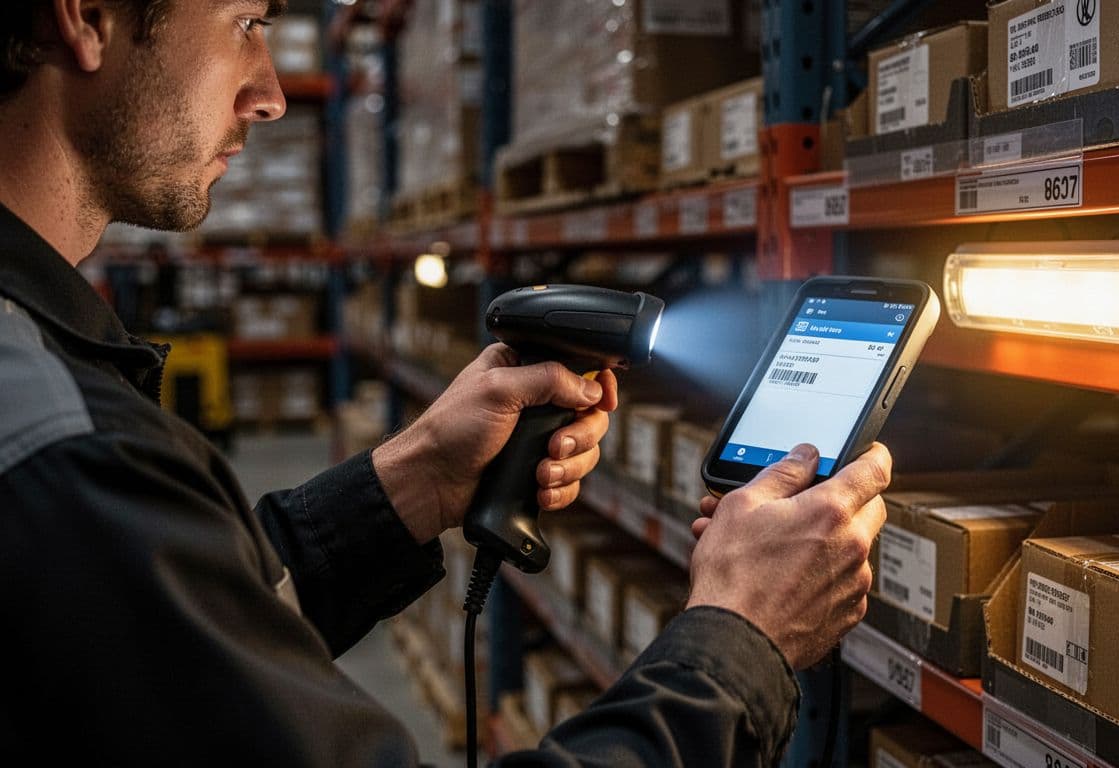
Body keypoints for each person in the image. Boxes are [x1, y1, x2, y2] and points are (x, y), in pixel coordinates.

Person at [0, 1, 891, 765]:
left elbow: (173, 648)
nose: (268, 92)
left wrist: (417, 478)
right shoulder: (67, 453)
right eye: (246, 22)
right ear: (86, 16)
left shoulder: (48, 395)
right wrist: (742, 640)